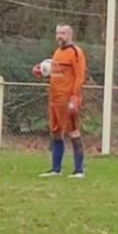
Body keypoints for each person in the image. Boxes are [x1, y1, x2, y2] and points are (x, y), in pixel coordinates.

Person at [37, 24, 88, 178]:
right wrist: (40, 71)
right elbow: (55, 72)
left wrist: (75, 96)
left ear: (70, 35)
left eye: (63, 33)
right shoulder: (57, 53)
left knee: (73, 131)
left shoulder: (75, 52)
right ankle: (56, 169)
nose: (60, 36)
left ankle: (79, 170)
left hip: (67, 99)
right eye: (58, 33)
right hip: (54, 99)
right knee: (56, 133)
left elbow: (79, 76)